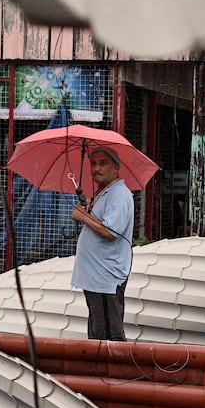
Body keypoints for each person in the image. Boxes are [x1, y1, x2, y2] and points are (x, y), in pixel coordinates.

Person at [70, 145, 134, 340]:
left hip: (105, 278)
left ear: (116, 168)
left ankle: (112, 370)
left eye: (103, 163)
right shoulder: (104, 193)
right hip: (95, 278)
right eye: (94, 163)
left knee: (108, 336)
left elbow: (110, 231)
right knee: (98, 332)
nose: (96, 168)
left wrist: (83, 216)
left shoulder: (119, 195)